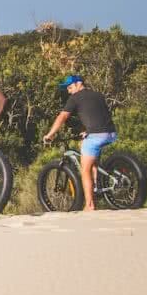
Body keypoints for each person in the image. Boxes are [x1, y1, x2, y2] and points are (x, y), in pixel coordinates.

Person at [42, 75, 117, 211]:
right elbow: (98, 115)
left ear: (79, 84)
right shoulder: (98, 95)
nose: (69, 91)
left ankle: (89, 205)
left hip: (96, 136)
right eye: (67, 89)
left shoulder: (75, 98)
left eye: (70, 87)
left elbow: (63, 116)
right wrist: (88, 130)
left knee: (85, 170)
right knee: (87, 150)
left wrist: (50, 135)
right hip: (111, 133)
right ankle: (97, 183)